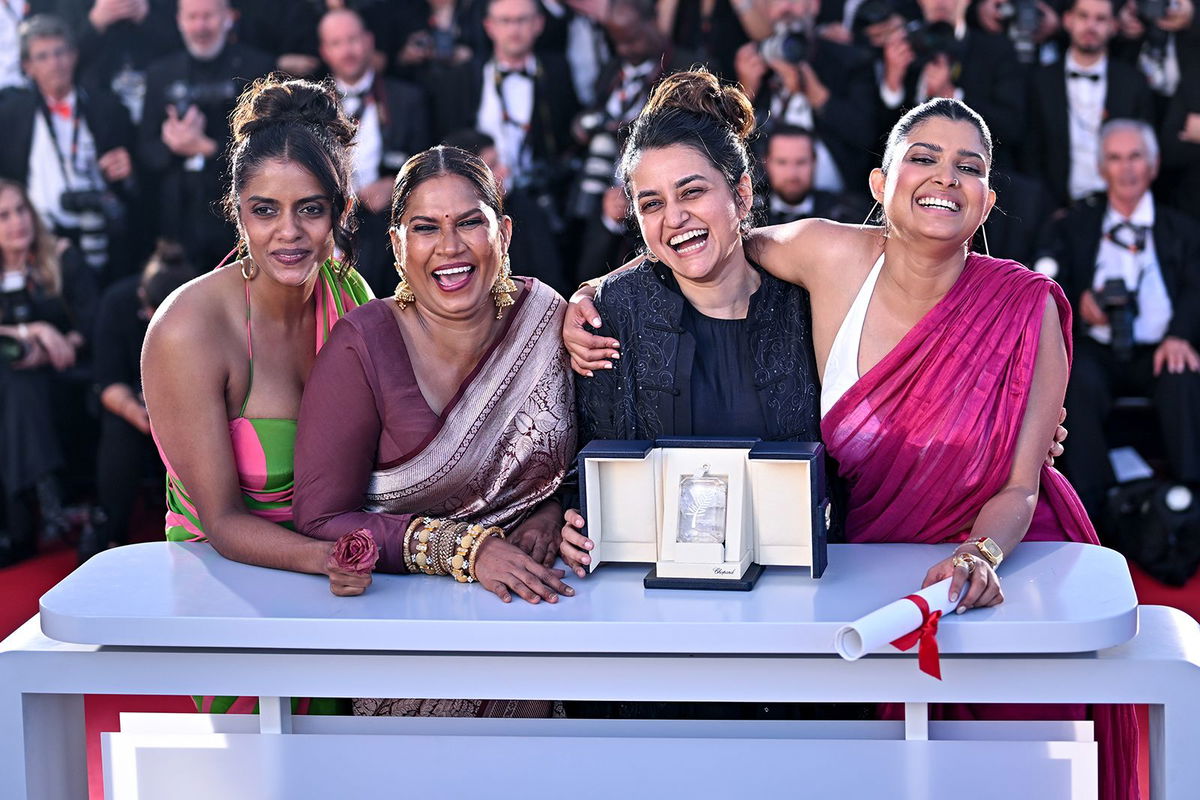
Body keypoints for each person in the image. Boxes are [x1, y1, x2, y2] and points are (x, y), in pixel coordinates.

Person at [562, 75, 1136, 799]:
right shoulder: (824, 255)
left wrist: (982, 556)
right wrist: (588, 295)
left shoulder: (1025, 307)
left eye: (969, 167)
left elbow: (1022, 485)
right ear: (882, 179)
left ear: (988, 199)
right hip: (872, 567)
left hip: (1005, 561)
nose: (944, 179)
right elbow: (698, 241)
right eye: (923, 158)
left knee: (1020, 771)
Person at [293, 145, 575, 715]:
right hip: (411, 643)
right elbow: (320, 519)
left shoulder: (546, 319)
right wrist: (466, 550)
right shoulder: (362, 343)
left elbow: (580, 460)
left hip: (548, 621)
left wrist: (550, 511)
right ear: (397, 246)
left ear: (506, 233)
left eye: (471, 222)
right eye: (426, 228)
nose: (450, 247)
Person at [141, 76, 374, 606]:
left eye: (310, 209)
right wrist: (328, 558)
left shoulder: (352, 295)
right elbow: (222, 522)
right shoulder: (188, 329)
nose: (288, 232)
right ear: (238, 209)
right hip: (222, 584)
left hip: (346, 580)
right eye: (264, 210)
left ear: (340, 209)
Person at [1040, 118, 1200, 519]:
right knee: (1074, 380)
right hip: (1097, 348)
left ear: (1154, 164)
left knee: (1183, 375)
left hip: (1160, 349)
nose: (1126, 168)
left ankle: (1189, 505)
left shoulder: (1182, 229)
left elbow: (1197, 288)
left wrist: (1181, 335)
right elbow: (1045, 285)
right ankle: (1096, 512)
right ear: (1100, 167)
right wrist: (1079, 301)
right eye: (1115, 158)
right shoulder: (1076, 225)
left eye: (1135, 157)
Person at [0, 178, 97, 568]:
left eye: (21, 210)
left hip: (61, 381)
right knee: (14, 384)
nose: (16, 222)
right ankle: (44, 501)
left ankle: (21, 523)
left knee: (21, 386)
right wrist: (34, 330)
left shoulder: (61, 256)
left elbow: (93, 324)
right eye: (3, 216)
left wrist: (64, 342)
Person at [138, 0, 273, 273]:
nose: (200, 26)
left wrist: (208, 148)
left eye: (208, 16)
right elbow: (144, 150)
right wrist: (172, 145)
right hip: (176, 219)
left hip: (237, 216)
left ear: (228, 17)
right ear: (179, 20)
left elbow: (270, 147)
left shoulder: (257, 68)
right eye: (192, 17)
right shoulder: (160, 74)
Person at [80, 238, 193, 563]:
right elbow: (106, 382)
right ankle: (109, 531)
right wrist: (142, 412)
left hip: (191, 409)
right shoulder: (117, 303)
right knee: (118, 430)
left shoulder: (206, 310)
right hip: (135, 410)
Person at [0, 14, 136, 280]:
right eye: (43, 56)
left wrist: (129, 171)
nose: (54, 64)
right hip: (38, 241)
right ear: (27, 66)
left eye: (60, 52)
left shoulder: (108, 109)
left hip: (102, 235)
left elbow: (135, 184)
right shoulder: (10, 117)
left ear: (74, 56)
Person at [319, 6, 431, 296]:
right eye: (336, 43)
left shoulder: (407, 98)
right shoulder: (313, 105)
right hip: (328, 223)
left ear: (369, 41)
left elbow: (429, 159)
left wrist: (395, 184)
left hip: (385, 221)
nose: (347, 50)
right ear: (324, 51)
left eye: (353, 39)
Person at [1023, 0, 1153, 211]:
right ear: (1068, 20)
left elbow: (1145, 155)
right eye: (1083, 16)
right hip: (1056, 209)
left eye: (1100, 19)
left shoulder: (1133, 84)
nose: (1091, 26)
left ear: (1113, 26)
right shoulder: (1040, 82)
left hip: (1118, 208)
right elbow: (1030, 153)